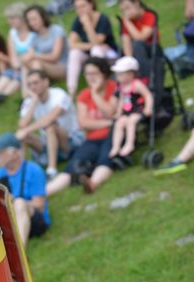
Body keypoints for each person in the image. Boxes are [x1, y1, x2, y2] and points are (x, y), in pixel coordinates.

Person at [46, 57, 117, 195]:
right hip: (92, 139)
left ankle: (93, 183)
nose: (91, 78)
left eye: (94, 73)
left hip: (112, 135)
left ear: (104, 73)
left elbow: (110, 111)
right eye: (87, 74)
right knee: (73, 165)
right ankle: (44, 193)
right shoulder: (83, 95)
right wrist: (109, 122)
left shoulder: (114, 87)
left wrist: (95, 93)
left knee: (105, 160)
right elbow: (83, 123)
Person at [16, 69, 84, 178]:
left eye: (36, 83)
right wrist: (34, 101)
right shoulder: (30, 100)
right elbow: (22, 125)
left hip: (71, 139)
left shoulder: (59, 94)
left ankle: (51, 170)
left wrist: (26, 130)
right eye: (29, 85)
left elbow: (49, 119)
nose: (33, 87)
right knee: (24, 136)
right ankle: (21, 172)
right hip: (48, 141)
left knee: (49, 126)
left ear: (46, 82)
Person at [0, 133, 50, 245]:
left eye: (0, 152)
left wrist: (14, 201)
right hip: (12, 220)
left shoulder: (33, 170)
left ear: (14, 153)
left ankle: (20, 250)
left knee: (20, 203)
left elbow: (40, 206)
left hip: (36, 221)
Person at [67, 0, 118, 98]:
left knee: (96, 50)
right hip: (91, 52)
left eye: (83, 6)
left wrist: (87, 24)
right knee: (74, 53)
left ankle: (97, 87)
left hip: (109, 55)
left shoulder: (102, 18)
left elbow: (96, 41)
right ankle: (71, 91)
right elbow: (72, 44)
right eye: (77, 8)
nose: (80, 10)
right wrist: (90, 46)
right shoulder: (78, 20)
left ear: (91, 5)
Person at [108, 56, 153, 158]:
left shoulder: (136, 84)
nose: (117, 77)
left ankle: (130, 144)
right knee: (119, 123)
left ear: (130, 74)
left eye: (120, 74)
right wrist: (118, 113)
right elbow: (121, 101)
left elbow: (147, 95)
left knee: (131, 121)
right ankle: (116, 146)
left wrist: (148, 107)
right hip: (127, 111)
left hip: (138, 110)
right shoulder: (122, 87)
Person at [118, 0, 160, 87]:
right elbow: (126, 45)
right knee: (125, 56)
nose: (126, 13)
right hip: (136, 54)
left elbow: (141, 38)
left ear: (137, 3)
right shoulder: (128, 22)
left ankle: (146, 79)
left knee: (138, 44)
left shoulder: (149, 15)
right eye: (123, 11)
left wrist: (127, 23)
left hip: (152, 50)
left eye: (128, 8)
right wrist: (129, 62)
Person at [22, 5, 68, 81]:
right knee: (27, 63)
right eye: (29, 20)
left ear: (42, 17)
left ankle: (38, 87)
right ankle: (27, 90)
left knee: (37, 63)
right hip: (46, 66)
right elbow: (29, 55)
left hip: (62, 66)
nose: (32, 23)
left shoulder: (56, 30)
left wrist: (35, 56)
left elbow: (55, 57)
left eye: (34, 19)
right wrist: (26, 58)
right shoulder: (34, 38)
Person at [4, 2, 36, 96]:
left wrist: (21, 62)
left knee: (16, 80)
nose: (10, 22)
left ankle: (3, 96)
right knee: (5, 78)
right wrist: (16, 65)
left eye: (12, 18)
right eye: (9, 19)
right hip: (17, 66)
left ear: (21, 18)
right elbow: (12, 56)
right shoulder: (12, 33)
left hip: (29, 64)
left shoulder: (33, 32)